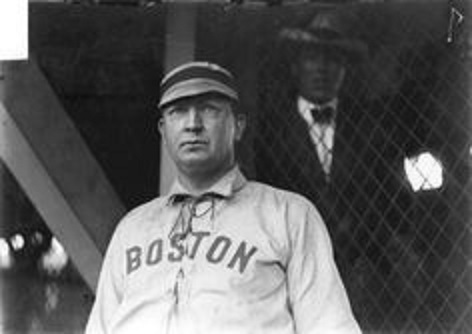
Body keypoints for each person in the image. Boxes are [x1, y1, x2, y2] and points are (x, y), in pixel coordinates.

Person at [85, 61, 361, 334]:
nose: (193, 124)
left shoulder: (288, 214)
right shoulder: (132, 227)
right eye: (178, 112)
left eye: (209, 110)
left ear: (238, 126)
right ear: (163, 130)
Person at [254, 8, 412, 324]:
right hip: (290, 271)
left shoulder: (371, 128)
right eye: (313, 57)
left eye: (333, 59)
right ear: (296, 65)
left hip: (362, 273)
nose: (322, 68)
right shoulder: (269, 130)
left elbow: (394, 202)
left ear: (345, 68)